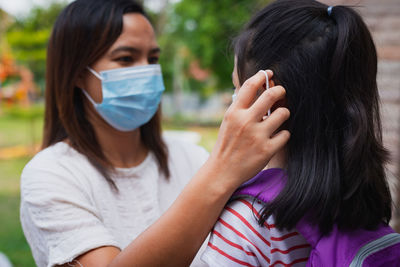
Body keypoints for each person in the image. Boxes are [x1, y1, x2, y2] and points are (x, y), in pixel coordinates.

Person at [19, 0, 291, 266]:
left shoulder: (191, 157)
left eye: (153, 58)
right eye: (125, 58)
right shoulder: (50, 175)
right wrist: (222, 170)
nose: (146, 71)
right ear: (77, 73)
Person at [201, 0, 396, 266]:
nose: (233, 103)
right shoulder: (361, 203)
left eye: (238, 88)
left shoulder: (246, 225)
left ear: (268, 101)